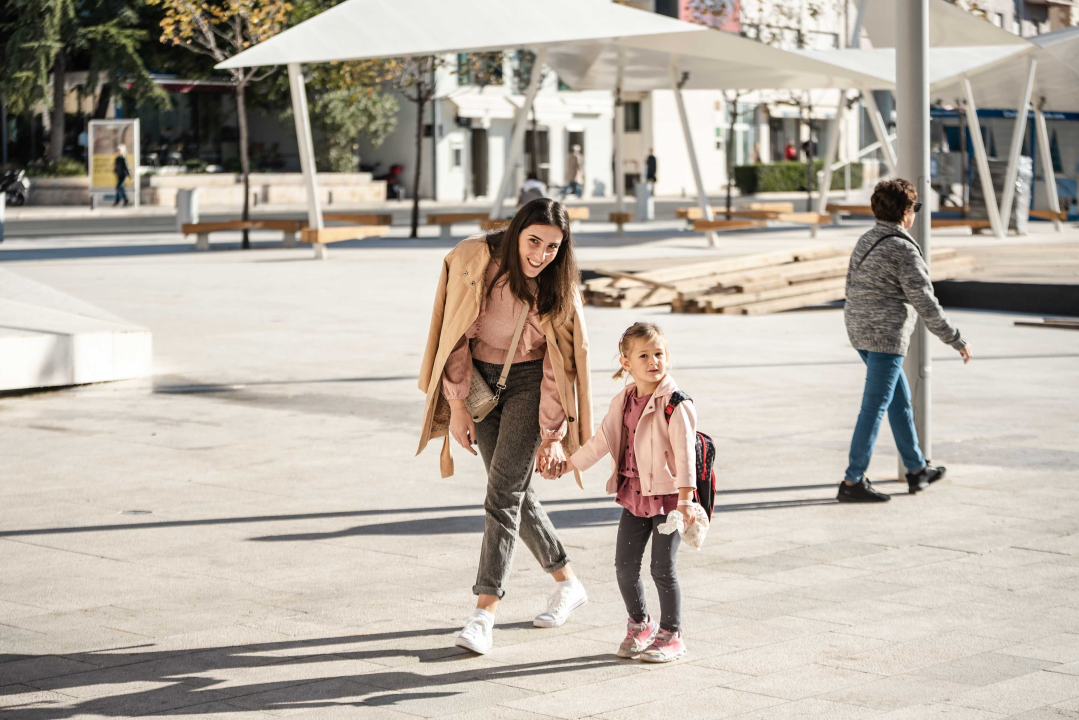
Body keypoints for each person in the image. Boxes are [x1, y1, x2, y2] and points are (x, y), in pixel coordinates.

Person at [416, 198, 594, 654]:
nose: (540, 255)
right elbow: (457, 336)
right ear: (516, 232)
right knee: (512, 489)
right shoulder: (480, 265)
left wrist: (552, 435)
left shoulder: (558, 286)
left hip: (531, 383)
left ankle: (483, 613)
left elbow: (559, 365)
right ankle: (568, 582)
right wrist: (457, 405)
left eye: (553, 247)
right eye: (533, 241)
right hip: (480, 383)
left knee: (502, 494)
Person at [552, 322, 700, 663]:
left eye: (659, 354)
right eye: (644, 355)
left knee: (662, 568)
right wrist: (570, 464)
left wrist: (686, 499)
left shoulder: (675, 404)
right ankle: (640, 625)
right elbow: (602, 440)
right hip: (633, 495)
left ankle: (671, 634)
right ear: (626, 363)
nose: (653, 361)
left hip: (667, 501)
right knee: (624, 567)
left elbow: (685, 453)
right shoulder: (624, 400)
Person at [839, 179, 974, 503]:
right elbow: (925, 301)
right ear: (905, 211)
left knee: (899, 400)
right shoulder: (902, 247)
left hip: (859, 331)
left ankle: (916, 470)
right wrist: (954, 339)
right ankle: (851, 481)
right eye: (915, 207)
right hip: (885, 336)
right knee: (874, 407)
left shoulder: (867, 239)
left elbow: (849, 285)